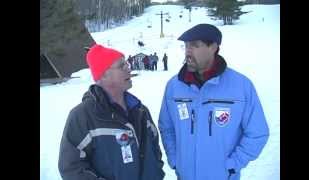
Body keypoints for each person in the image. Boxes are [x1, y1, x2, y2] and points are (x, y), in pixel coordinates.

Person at [158, 24, 269, 180]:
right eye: (186, 46)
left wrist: (233, 164)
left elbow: (257, 133)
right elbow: (166, 127)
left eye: (195, 45)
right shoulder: (174, 86)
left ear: (214, 47)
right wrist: (176, 160)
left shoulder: (241, 86)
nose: (188, 51)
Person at [58, 44, 165, 180]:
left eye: (126, 63)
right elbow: (71, 168)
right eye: (121, 66)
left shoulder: (140, 110)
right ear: (103, 75)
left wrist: (156, 172)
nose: (128, 68)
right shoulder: (82, 116)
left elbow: (155, 149)